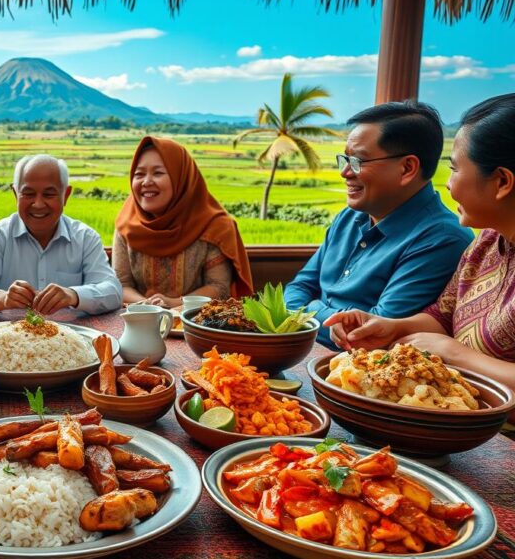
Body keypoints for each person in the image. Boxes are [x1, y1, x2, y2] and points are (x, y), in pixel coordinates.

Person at [325, 94, 515, 418]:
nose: (448, 184)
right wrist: (391, 328)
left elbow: (448, 346)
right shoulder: (485, 244)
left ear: (501, 182)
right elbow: (442, 316)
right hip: (463, 428)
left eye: (455, 169)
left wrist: (456, 355)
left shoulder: (444, 235)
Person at [284, 101, 473, 348]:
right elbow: (297, 289)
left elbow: (369, 333)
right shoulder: (349, 218)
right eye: (345, 159)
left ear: (407, 168)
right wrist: (321, 312)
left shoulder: (442, 239)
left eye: (358, 161)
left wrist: (311, 308)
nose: (345, 173)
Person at [0, 154, 122, 315]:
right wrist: (2, 299)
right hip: (11, 337)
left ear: (65, 195)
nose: (38, 204)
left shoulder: (85, 238)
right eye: (29, 194)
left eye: (49, 194)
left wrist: (73, 295)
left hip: (69, 337)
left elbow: (113, 291)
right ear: (15, 194)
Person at [113, 136, 253, 308]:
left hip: (197, 324)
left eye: (158, 173)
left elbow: (219, 287)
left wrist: (175, 304)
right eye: (139, 174)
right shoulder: (127, 224)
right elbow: (121, 285)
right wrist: (149, 306)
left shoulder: (215, 226)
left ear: (181, 178)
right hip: (139, 319)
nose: (146, 182)